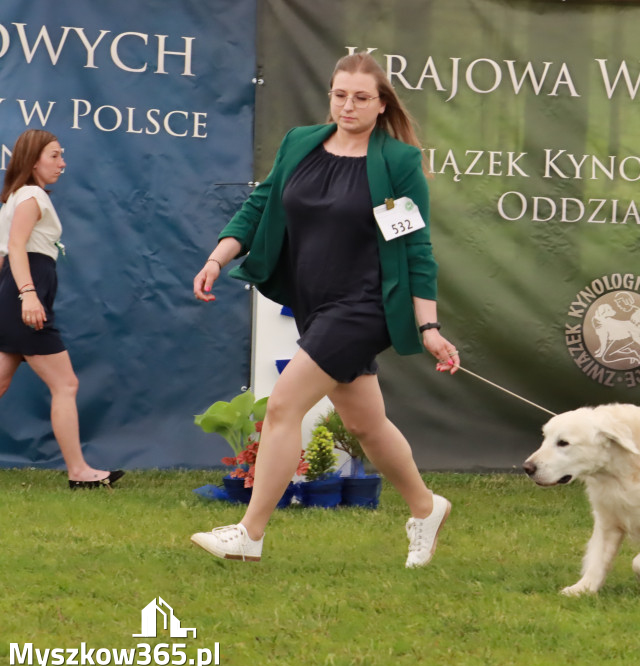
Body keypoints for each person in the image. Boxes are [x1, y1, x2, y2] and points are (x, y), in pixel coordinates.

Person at [189, 52, 459, 567]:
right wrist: (218, 257)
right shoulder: (300, 144)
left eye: (361, 97)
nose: (348, 105)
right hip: (315, 304)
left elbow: (416, 249)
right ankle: (426, 508)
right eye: (340, 95)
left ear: (382, 105)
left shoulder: (396, 164)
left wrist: (428, 326)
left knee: (284, 404)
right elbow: (260, 205)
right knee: (366, 424)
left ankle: (250, 534)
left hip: (364, 307)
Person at [0, 129, 124, 490]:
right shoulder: (32, 196)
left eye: (61, 155)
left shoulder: (14, 198)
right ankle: (79, 472)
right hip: (25, 299)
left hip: (13, 298)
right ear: (33, 158)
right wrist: (29, 295)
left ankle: (79, 470)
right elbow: (16, 248)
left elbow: (4, 255)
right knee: (66, 384)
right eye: (54, 155)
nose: (62, 163)